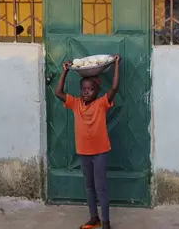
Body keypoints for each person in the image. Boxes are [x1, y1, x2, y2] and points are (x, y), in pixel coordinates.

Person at [55, 55, 121, 229]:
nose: (86, 92)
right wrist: (64, 72)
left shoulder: (101, 104)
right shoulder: (75, 104)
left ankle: (106, 222)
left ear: (97, 91)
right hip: (83, 152)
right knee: (89, 187)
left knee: (101, 188)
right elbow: (58, 93)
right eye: (83, 90)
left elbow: (114, 87)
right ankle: (94, 218)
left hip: (99, 152)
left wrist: (116, 65)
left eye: (90, 89)